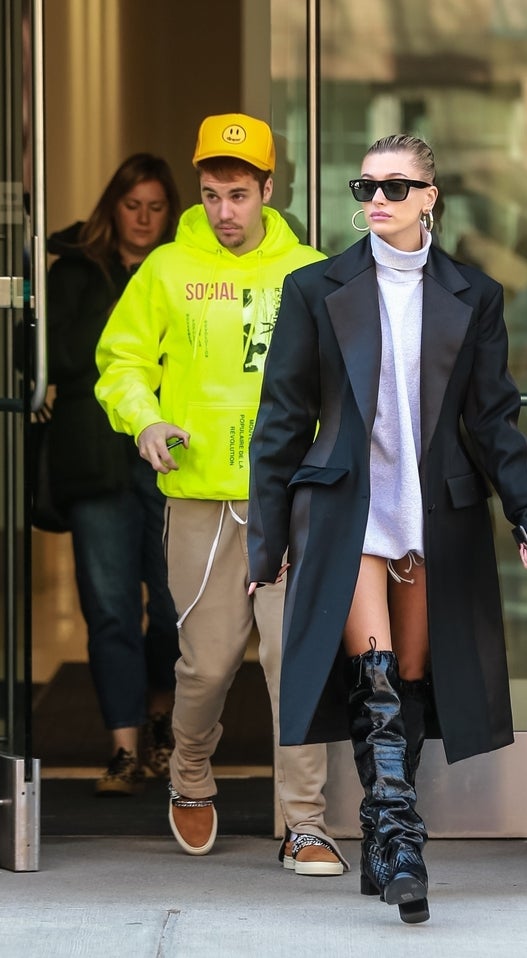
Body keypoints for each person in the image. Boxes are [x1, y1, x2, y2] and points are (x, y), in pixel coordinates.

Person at [247, 133, 527, 923]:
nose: (376, 200)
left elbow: (492, 419)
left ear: (430, 197)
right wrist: (270, 540)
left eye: (394, 187)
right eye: (366, 186)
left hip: (432, 513)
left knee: (411, 683)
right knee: (377, 676)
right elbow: (281, 421)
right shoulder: (316, 288)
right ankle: (402, 841)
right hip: (347, 508)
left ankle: (383, 845)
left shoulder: (472, 294)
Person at [94, 113, 348, 875]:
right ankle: (190, 770)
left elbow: (348, 382)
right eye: (210, 195)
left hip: (290, 502)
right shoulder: (167, 269)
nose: (223, 212)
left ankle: (304, 820)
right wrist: (143, 420)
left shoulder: (312, 270)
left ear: (269, 189)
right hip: (200, 500)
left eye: (238, 194)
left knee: (290, 662)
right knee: (205, 666)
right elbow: (122, 362)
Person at [46, 153, 182, 795]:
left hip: (171, 464)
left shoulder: (186, 270)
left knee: (177, 605)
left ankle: (161, 720)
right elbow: (64, 356)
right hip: (97, 463)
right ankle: (124, 747)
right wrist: (129, 320)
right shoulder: (76, 271)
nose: (144, 220)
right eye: (133, 207)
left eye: (157, 207)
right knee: (110, 611)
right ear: (112, 208)